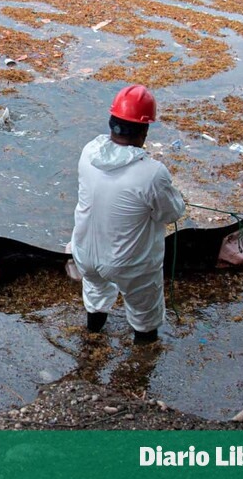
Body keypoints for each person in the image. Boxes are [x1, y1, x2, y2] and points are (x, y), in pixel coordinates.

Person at [69, 84, 185, 343]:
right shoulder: (152, 173)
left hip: (84, 253)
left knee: (95, 296)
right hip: (127, 263)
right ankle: (142, 358)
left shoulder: (89, 152)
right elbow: (171, 213)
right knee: (145, 313)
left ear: (112, 123)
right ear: (144, 131)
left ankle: (92, 338)